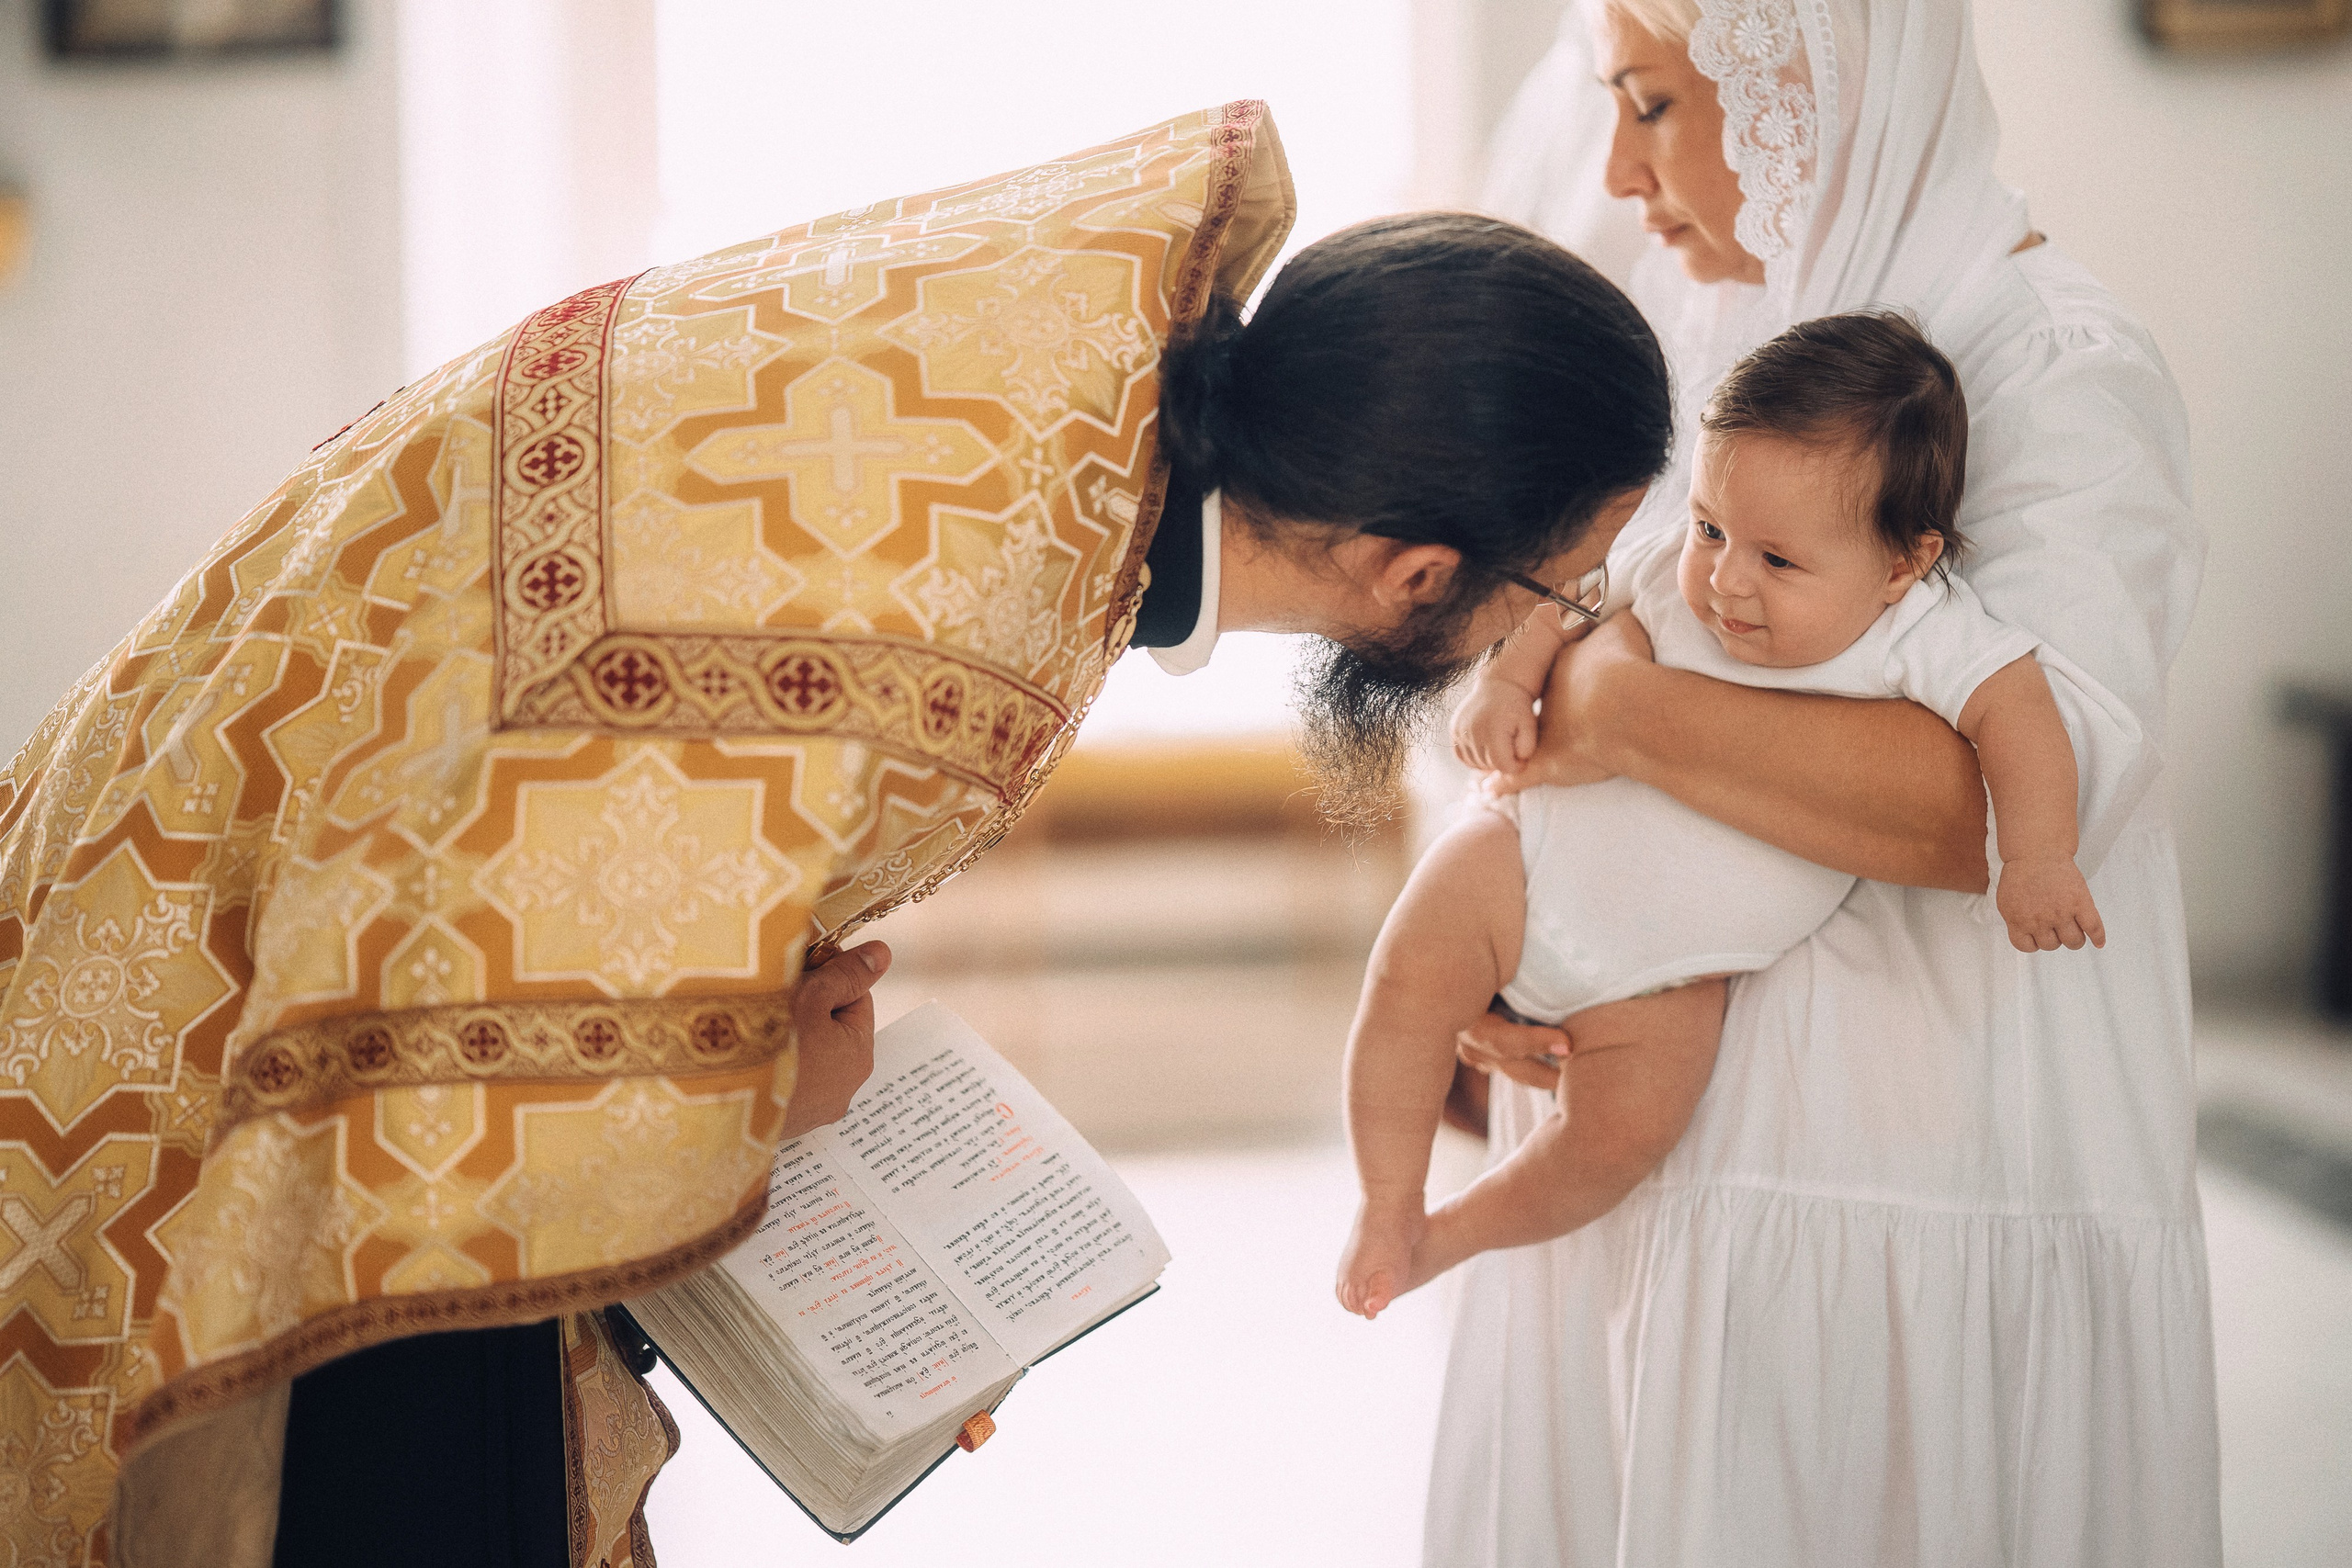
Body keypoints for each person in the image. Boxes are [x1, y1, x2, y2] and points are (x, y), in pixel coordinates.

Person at [0, 103, 1671, 1564]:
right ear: (1418, 571)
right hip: (324, 1068)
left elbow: (621, 801)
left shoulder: (1053, 380)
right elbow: (531, 945)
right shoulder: (998, 602)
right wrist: (761, 1095)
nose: (1562, 625)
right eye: (1564, 585)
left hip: (241, 812)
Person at [1414, 2, 2220, 1563]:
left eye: (1653, 106)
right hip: (1652, 1164)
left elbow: (1984, 801)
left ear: (1811, 93)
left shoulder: (2059, 374)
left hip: (1909, 1162)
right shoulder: (1724, 342)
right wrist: (1493, 938)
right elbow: (1539, 675)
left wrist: (1620, 708)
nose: (1620, 171)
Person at [1336, 308, 2109, 1320]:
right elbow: (1567, 594)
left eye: (1777, 562)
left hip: (1671, 977)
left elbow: (2021, 715)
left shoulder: (1920, 635)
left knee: (1618, 1138)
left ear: (1902, 564)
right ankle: (1389, 1203)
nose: (1724, 579)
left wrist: (2038, 859)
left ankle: (1451, 1235)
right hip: (1527, 854)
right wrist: (1504, 682)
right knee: (1404, 981)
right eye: (1710, 528)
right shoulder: (1672, 569)